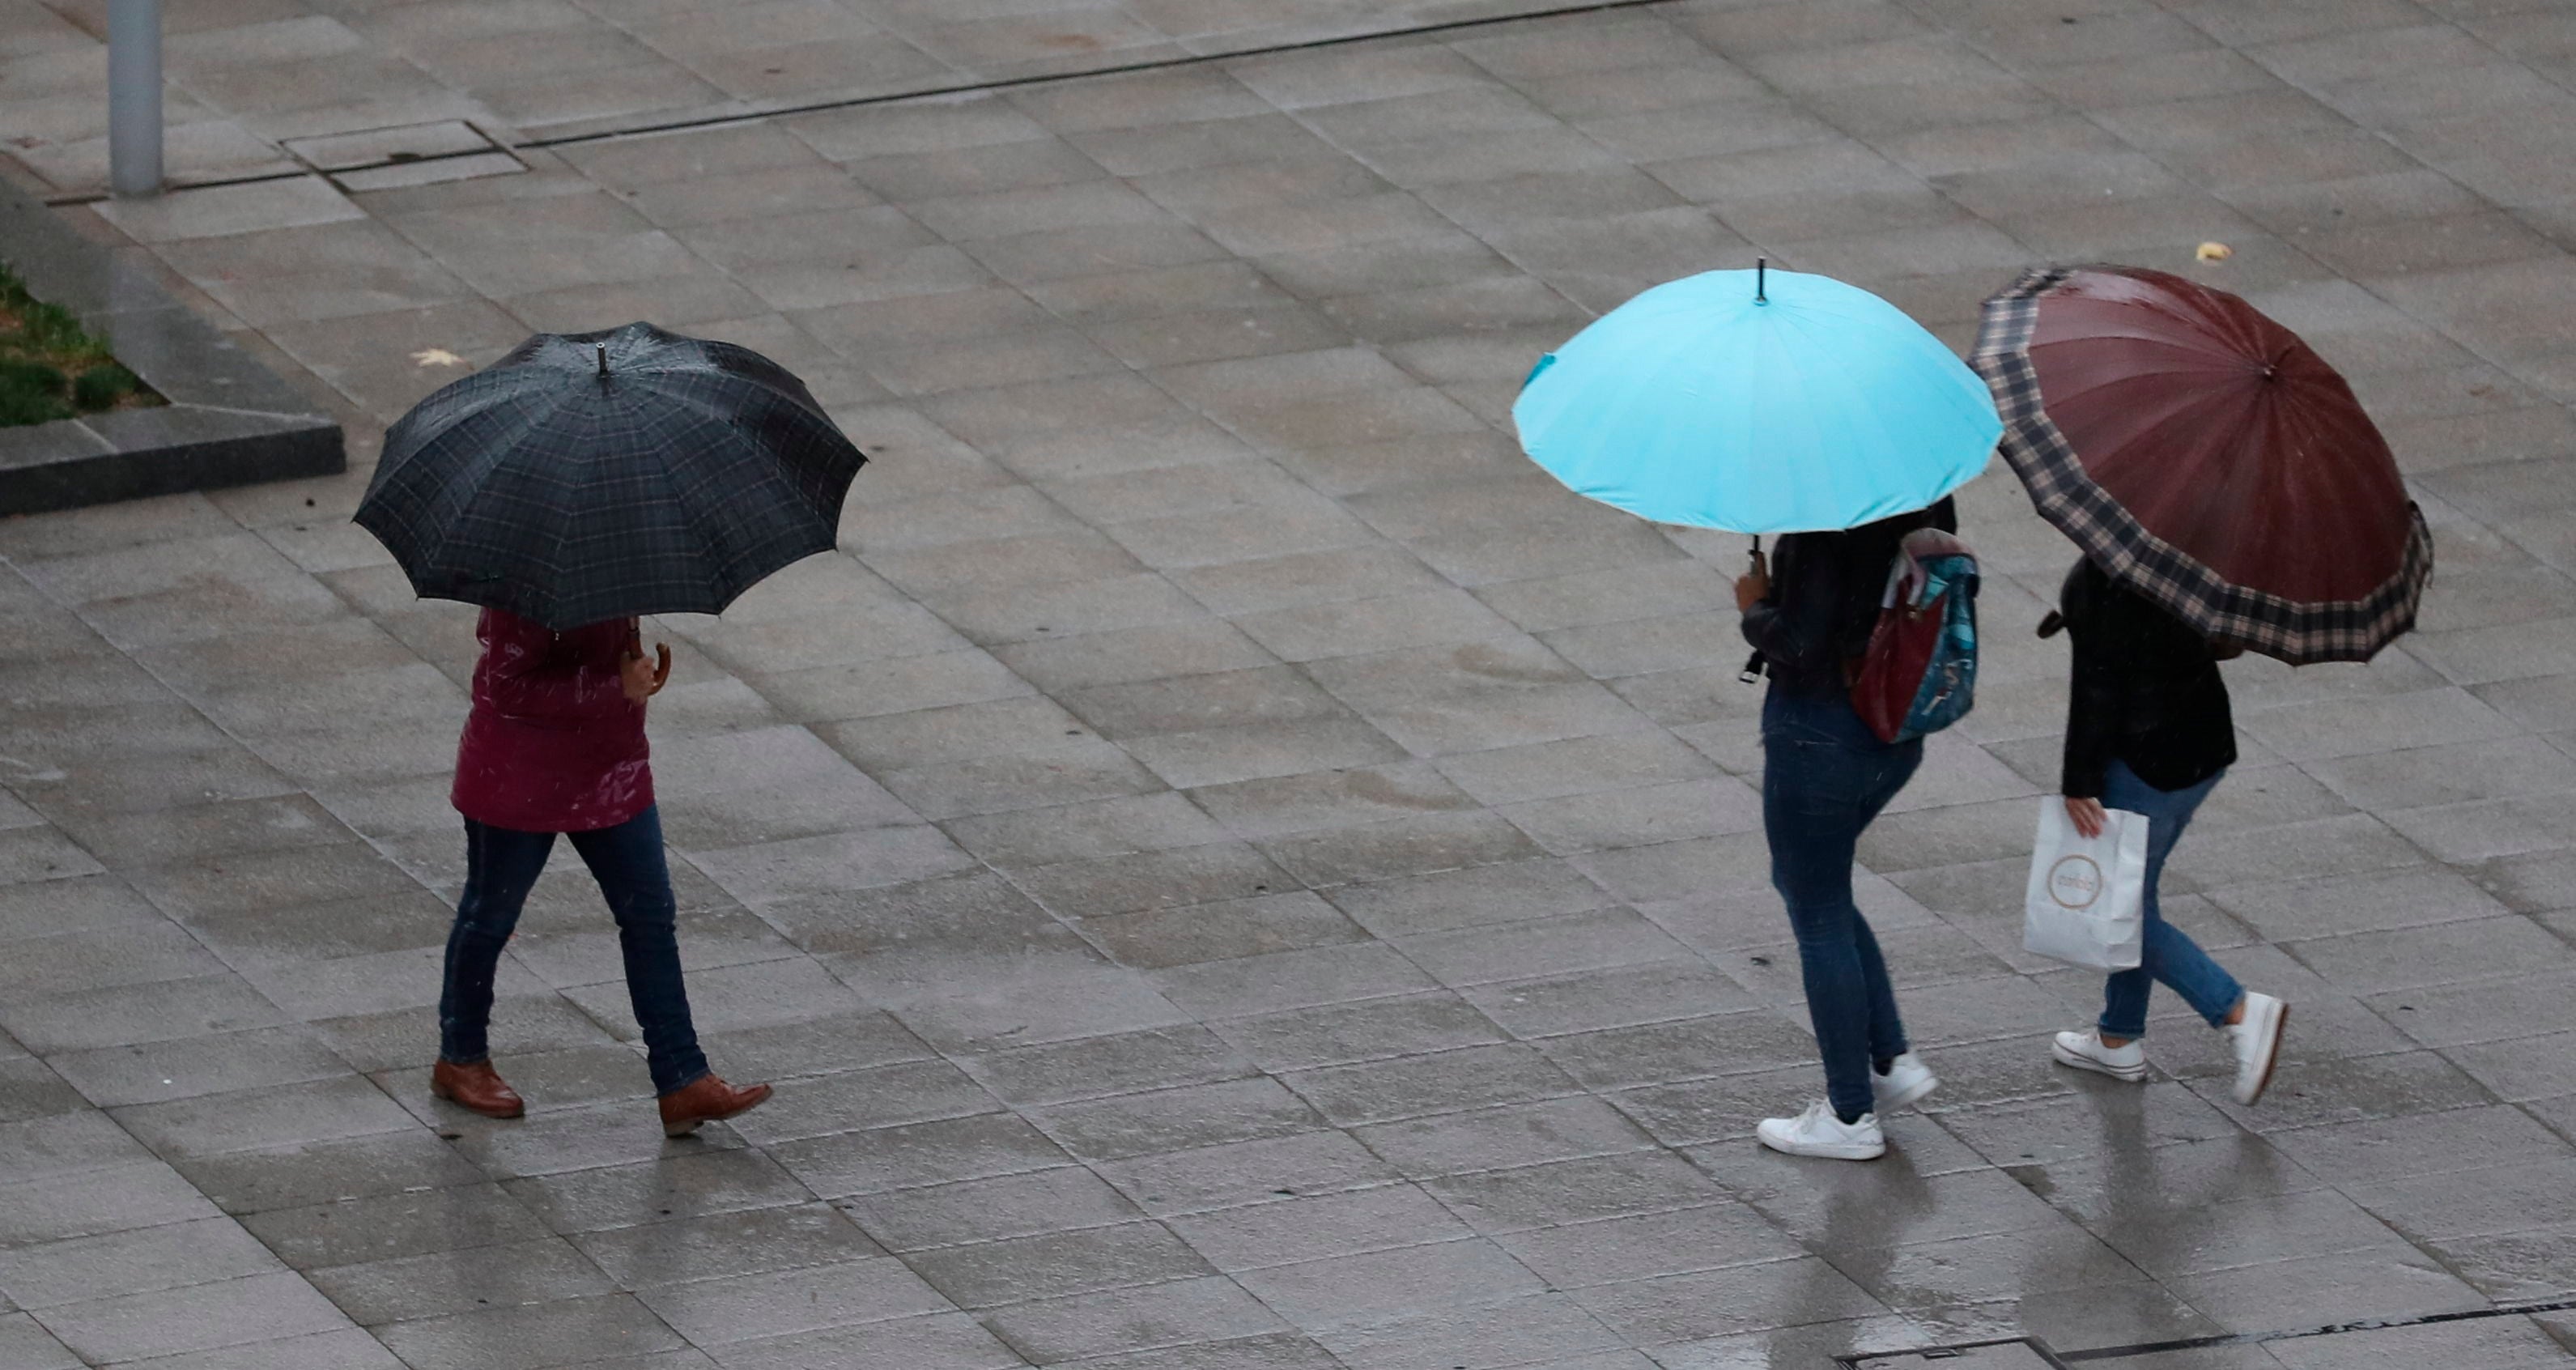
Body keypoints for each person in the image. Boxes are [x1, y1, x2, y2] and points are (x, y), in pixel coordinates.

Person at [431, 608, 772, 1137]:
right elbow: (507, 687)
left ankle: (682, 1076)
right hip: (521, 774)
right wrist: (614, 685)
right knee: (490, 915)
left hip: (612, 767)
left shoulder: (618, 559)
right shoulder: (528, 580)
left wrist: (632, 667)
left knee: (651, 916)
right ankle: (461, 1057)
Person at [1736, 498, 1953, 1161]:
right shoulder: (1926, 491)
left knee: (1818, 911)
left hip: (1821, 732)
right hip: (1894, 722)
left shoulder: (1826, 521)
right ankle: (1888, 1059)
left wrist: (1755, 604)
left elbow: (1801, 640)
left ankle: (1849, 1114)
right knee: (1813, 885)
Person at [2041, 559, 2285, 1105]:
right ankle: (2117, 1036)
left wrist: (2078, 782)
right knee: (2135, 891)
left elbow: (2095, 692)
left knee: (2118, 911)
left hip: (2144, 766)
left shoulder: (2101, 581)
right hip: (2202, 748)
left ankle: (2239, 1010)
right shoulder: (2196, 552)